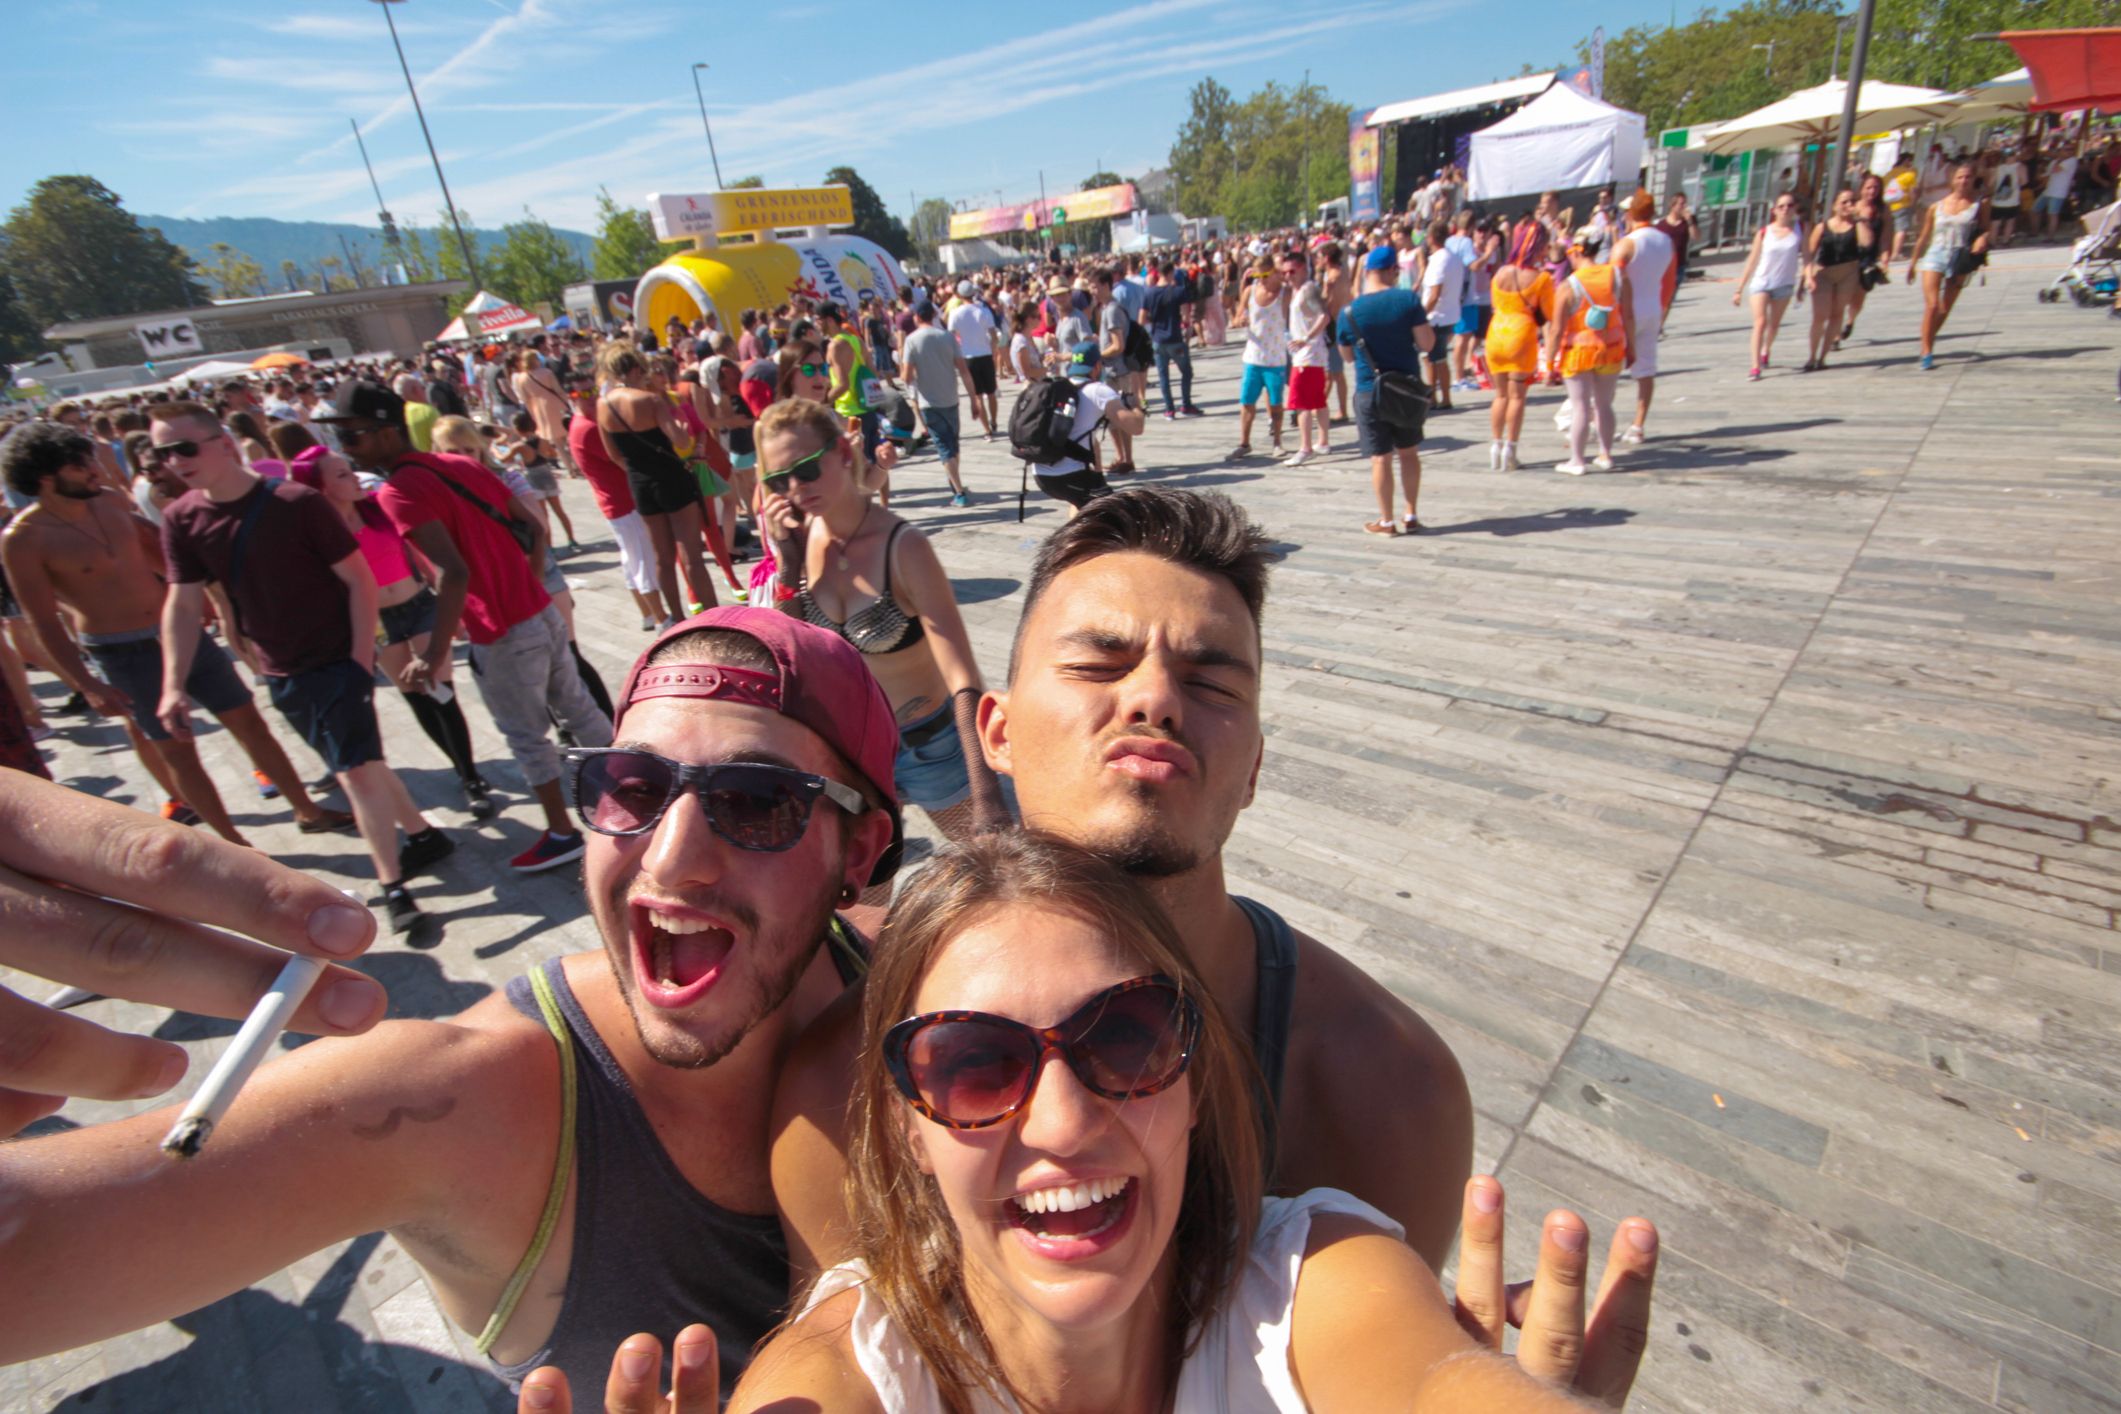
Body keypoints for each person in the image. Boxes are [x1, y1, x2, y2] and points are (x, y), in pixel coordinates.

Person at [760, 489, 1660, 1406]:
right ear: (995, 731)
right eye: (1098, 664)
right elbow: (850, 1348)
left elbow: (1396, 1362)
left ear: (1255, 768)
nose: (1152, 697)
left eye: (1212, 683)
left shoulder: (1384, 1086)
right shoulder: (841, 1085)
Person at [0, 608, 903, 1404]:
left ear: (858, 853)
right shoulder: (453, 1097)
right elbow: (25, 1238)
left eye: (755, 802)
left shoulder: (916, 986)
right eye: (631, 785)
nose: (668, 859)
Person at [557, 830, 1637, 1411]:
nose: (1065, 1122)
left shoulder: (1311, 1279)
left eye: (1126, 1037)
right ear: (903, 1132)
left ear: (1196, 1076)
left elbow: (1423, 1376)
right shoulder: (863, 1367)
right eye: (974, 1063)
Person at [149, 401, 453, 934]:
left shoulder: (296, 502)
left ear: (223, 442)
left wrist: (360, 664)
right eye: (163, 452)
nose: (175, 460)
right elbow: (181, 602)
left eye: (185, 447)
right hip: (280, 670)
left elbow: (359, 581)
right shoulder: (182, 518)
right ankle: (425, 834)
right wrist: (173, 684)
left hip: (339, 661)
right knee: (359, 764)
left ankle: (393, 885)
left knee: (353, 773)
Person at [0, 420, 354, 844]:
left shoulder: (111, 502)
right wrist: (87, 683)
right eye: (79, 465)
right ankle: (233, 845)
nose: (95, 468)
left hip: (180, 635)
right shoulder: (23, 540)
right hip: (121, 653)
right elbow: (43, 621)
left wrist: (207, 600)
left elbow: (160, 555)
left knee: (250, 722)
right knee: (178, 751)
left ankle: (306, 809)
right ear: (44, 477)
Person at [319, 378, 613, 875]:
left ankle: (563, 833)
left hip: (501, 631)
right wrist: (530, 581)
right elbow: (533, 527)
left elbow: (454, 572)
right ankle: (634, 789)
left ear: (389, 432)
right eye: (340, 439)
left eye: (353, 437)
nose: (345, 448)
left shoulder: (399, 491)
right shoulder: (458, 464)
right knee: (578, 709)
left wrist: (433, 654)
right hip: (536, 612)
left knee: (528, 737)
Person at [757, 396, 1008, 880]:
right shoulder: (801, 542)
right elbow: (798, 654)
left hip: (931, 748)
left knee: (991, 875)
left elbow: (962, 675)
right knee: (864, 905)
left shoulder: (903, 547)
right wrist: (787, 568)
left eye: (807, 470)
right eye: (777, 480)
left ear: (843, 455)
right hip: (855, 759)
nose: (794, 489)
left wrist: (987, 793)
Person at [287, 444, 496, 819]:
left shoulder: (379, 508)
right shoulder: (319, 532)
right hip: (377, 621)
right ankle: (459, 765)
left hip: (419, 606)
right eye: (341, 474)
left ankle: (471, 779)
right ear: (319, 487)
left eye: (350, 469)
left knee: (440, 690)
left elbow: (422, 556)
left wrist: (454, 609)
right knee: (416, 696)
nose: (354, 477)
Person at [597, 342, 718, 625]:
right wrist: (682, 430)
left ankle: (675, 618)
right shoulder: (650, 400)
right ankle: (714, 617)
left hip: (640, 483)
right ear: (637, 368)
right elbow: (679, 440)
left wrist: (640, 469)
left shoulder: (603, 405)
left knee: (662, 558)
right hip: (671, 477)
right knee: (692, 555)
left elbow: (614, 455)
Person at [1338, 245, 1432, 534]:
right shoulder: (1407, 300)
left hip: (1369, 391)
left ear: (1366, 273)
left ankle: (1387, 520)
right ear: (1394, 270)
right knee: (1409, 452)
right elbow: (1427, 343)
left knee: (1380, 458)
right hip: (1405, 390)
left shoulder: (1350, 311)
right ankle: (1411, 514)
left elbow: (1347, 356)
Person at [570, 393, 667, 632]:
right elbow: (622, 458)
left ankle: (647, 614)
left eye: (590, 391)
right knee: (643, 559)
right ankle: (662, 619)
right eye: (579, 394)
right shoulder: (589, 428)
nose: (589, 398)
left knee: (632, 559)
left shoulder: (580, 423)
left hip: (614, 503)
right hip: (623, 503)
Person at [1550, 225, 1630, 476]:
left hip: (1578, 352)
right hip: (1611, 348)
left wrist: (1550, 361)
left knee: (1581, 406)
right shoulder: (1617, 276)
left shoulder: (1569, 285)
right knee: (1605, 404)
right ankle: (1605, 454)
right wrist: (1633, 347)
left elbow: (1556, 328)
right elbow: (1629, 315)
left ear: (1576, 251)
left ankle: (1577, 460)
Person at [1907, 161, 1990, 372]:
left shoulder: (1979, 204)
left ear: (1973, 179)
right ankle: (1926, 350)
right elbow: (1924, 236)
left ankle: (1929, 337)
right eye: (1959, 177)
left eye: (1968, 177)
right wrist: (1913, 263)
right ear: (1952, 180)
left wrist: (1982, 239)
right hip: (1936, 254)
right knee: (1932, 305)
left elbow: (1986, 228)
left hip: (1961, 255)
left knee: (1945, 307)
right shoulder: (1937, 206)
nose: (1963, 181)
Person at [1485, 220, 1553, 474]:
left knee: (1500, 395)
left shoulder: (1500, 273)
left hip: (1496, 333)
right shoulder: (1541, 278)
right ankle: (1510, 451)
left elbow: (1495, 303)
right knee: (1517, 397)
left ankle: (1495, 446)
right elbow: (1549, 313)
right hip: (1521, 335)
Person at [898, 299, 974, 506]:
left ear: (916, 317)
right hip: (950, 398)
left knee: (944, 447)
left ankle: (958, 491)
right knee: (953, 444)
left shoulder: (912, 340)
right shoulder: (947, 337)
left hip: (928, 402)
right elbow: (963, 370)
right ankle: (956, 483)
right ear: (933, 315)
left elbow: (905, 376)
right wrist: (974, 399)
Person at [1612, 191, 1672, 444]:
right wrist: (1663, 313)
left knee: (1609, 368)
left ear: (1630, 214)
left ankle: (1599, 420)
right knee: (1646, 369)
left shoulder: (1627, 243)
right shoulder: (1665, 241)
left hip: (1626, 312)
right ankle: (1638, 425)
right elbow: (1668, 282)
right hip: (1652, 308)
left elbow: (1611, 281)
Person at [1732, 193, 1804, 380]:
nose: (1785, 209)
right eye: (1781, 206)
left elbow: (1809, 257)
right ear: (1774, 210)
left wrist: (1807, 278)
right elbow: (1752, 260)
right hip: (1761, 282)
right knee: (1760, 322)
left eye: (1789, 205)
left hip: (1784, 283)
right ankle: (1755, 366)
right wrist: (1739, 289)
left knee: (1774, 325)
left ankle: (1766, 349)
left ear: (1795, 208)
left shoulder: (1800, 229)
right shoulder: (1765, 232)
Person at [1802, 189, 1871, 372]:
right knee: (1820, 315)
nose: (1848, 205)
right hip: (1824, 272)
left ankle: (1823, 358)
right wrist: (1807, 276)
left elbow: (1866, 243)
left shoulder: (1856, 225)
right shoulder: (1823, 227)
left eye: (1852, 201)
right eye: (1844, 202)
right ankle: (1811, 357)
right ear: (1834, 205)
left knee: (1837, 314)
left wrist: (1860, 219)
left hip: (1847, 272)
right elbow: (1809, 253)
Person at [1230, 257, 1290, 461]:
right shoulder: (1250, 291)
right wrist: (1241, 320)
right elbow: (1237, 317)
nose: (1261, 280)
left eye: (1265, 275)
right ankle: (1244, 443)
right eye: (1257, 276)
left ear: (1274, 271)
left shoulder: (1284, 293)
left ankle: (1277, 442)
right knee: (1246, 402)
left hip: (1275, 358)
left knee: (1276, 404)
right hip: (1253, 356)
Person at [1282, 248, 1332, 465]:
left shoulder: (1308, 290)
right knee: (1318, 400)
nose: (1287, 276)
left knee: (1301, 403)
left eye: (1291, 272)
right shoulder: (1298, 290)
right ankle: (1323, 441)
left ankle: (1306, 446)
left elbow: (1324, 317)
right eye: (1285, 272)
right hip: (1312, 355)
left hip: (1307, 356)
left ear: (1302, 269)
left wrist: (1305, 338)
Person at [1093, 272, 1140, 476]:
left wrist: (1098, 356)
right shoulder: (1106, 309)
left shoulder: (1112, 310)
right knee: (1112, 418)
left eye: (1094, 286)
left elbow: (1118, 345)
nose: (1092, 291)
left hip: (1118, 372)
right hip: (1113, 371)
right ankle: (1122, 457)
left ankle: (1127, 458)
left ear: (1105, 285)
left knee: (1121, 415)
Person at [1417, 221, 1464, 412]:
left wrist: (1420, 315)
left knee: (1432, 358)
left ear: (1431, 238)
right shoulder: (1453, 258)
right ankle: (1441, 396)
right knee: (1438, 357)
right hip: (1451, 314)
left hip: (1436, 316)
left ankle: (1437, 397)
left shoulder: (1438, 260)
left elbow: (1434, 294)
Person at [1841, 172, 1892, 345]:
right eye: (1869, 187)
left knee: (1858, 298)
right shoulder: (1852, 207)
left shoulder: (1883, 210)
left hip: (1868, 256)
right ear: (1861, 189)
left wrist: (1885, 258)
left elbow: (1886, 236)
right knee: (1843, 294)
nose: (1872, 191)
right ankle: (1835, 334)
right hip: (1850, 254)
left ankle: (1850, 321)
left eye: (1876, 188)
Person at [946, 282, 1001, 438]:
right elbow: (993, 333)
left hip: (968, 357)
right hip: (985, 354)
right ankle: (994, 422)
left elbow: (951, 336)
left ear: (959, 295)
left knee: (977, 395)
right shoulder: (983, 311)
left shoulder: (955, 313)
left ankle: (986, 430)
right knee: (991, 392)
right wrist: (992, 350)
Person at [1884, 151, 1919, 263]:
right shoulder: (1910, 174)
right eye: (1910, 161)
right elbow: (1913, 191)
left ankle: (1887, 251)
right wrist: (1913, 203)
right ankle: (1896, 253)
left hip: (1888, 205)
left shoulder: (1889, 174)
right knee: (1901, 229)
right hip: (1903, 204)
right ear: (1906, 161)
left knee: (1890, 229)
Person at [1990, 142, 2027, 247]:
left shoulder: (1999, 168)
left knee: (1995, 223)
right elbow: (2024, 181)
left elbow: (1991, 183)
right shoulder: (2020, 167)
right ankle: (2005, 241)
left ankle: (1993, 241)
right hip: (2012, 199)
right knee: (2010, 222)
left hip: (1998, 199)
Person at [2036, 146, 2077, 241]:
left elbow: (2056, 170)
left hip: (2059, 192)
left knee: (2052, 214)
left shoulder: (2072, 161)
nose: (2069, 152)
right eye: (2066, 149)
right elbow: (2047, 175)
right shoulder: (2054, 161)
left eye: (2071, 150)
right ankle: (2035, 231)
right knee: (2035, 209)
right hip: (2048, 190)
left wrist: (2058, 158)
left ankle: (2050, 237)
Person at [395, 373, 439, 453]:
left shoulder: (396, 415)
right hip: (433, 461)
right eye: (422, 387)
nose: (424, 390)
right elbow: (443, 443)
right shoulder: (427, 411)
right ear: (415, 390)